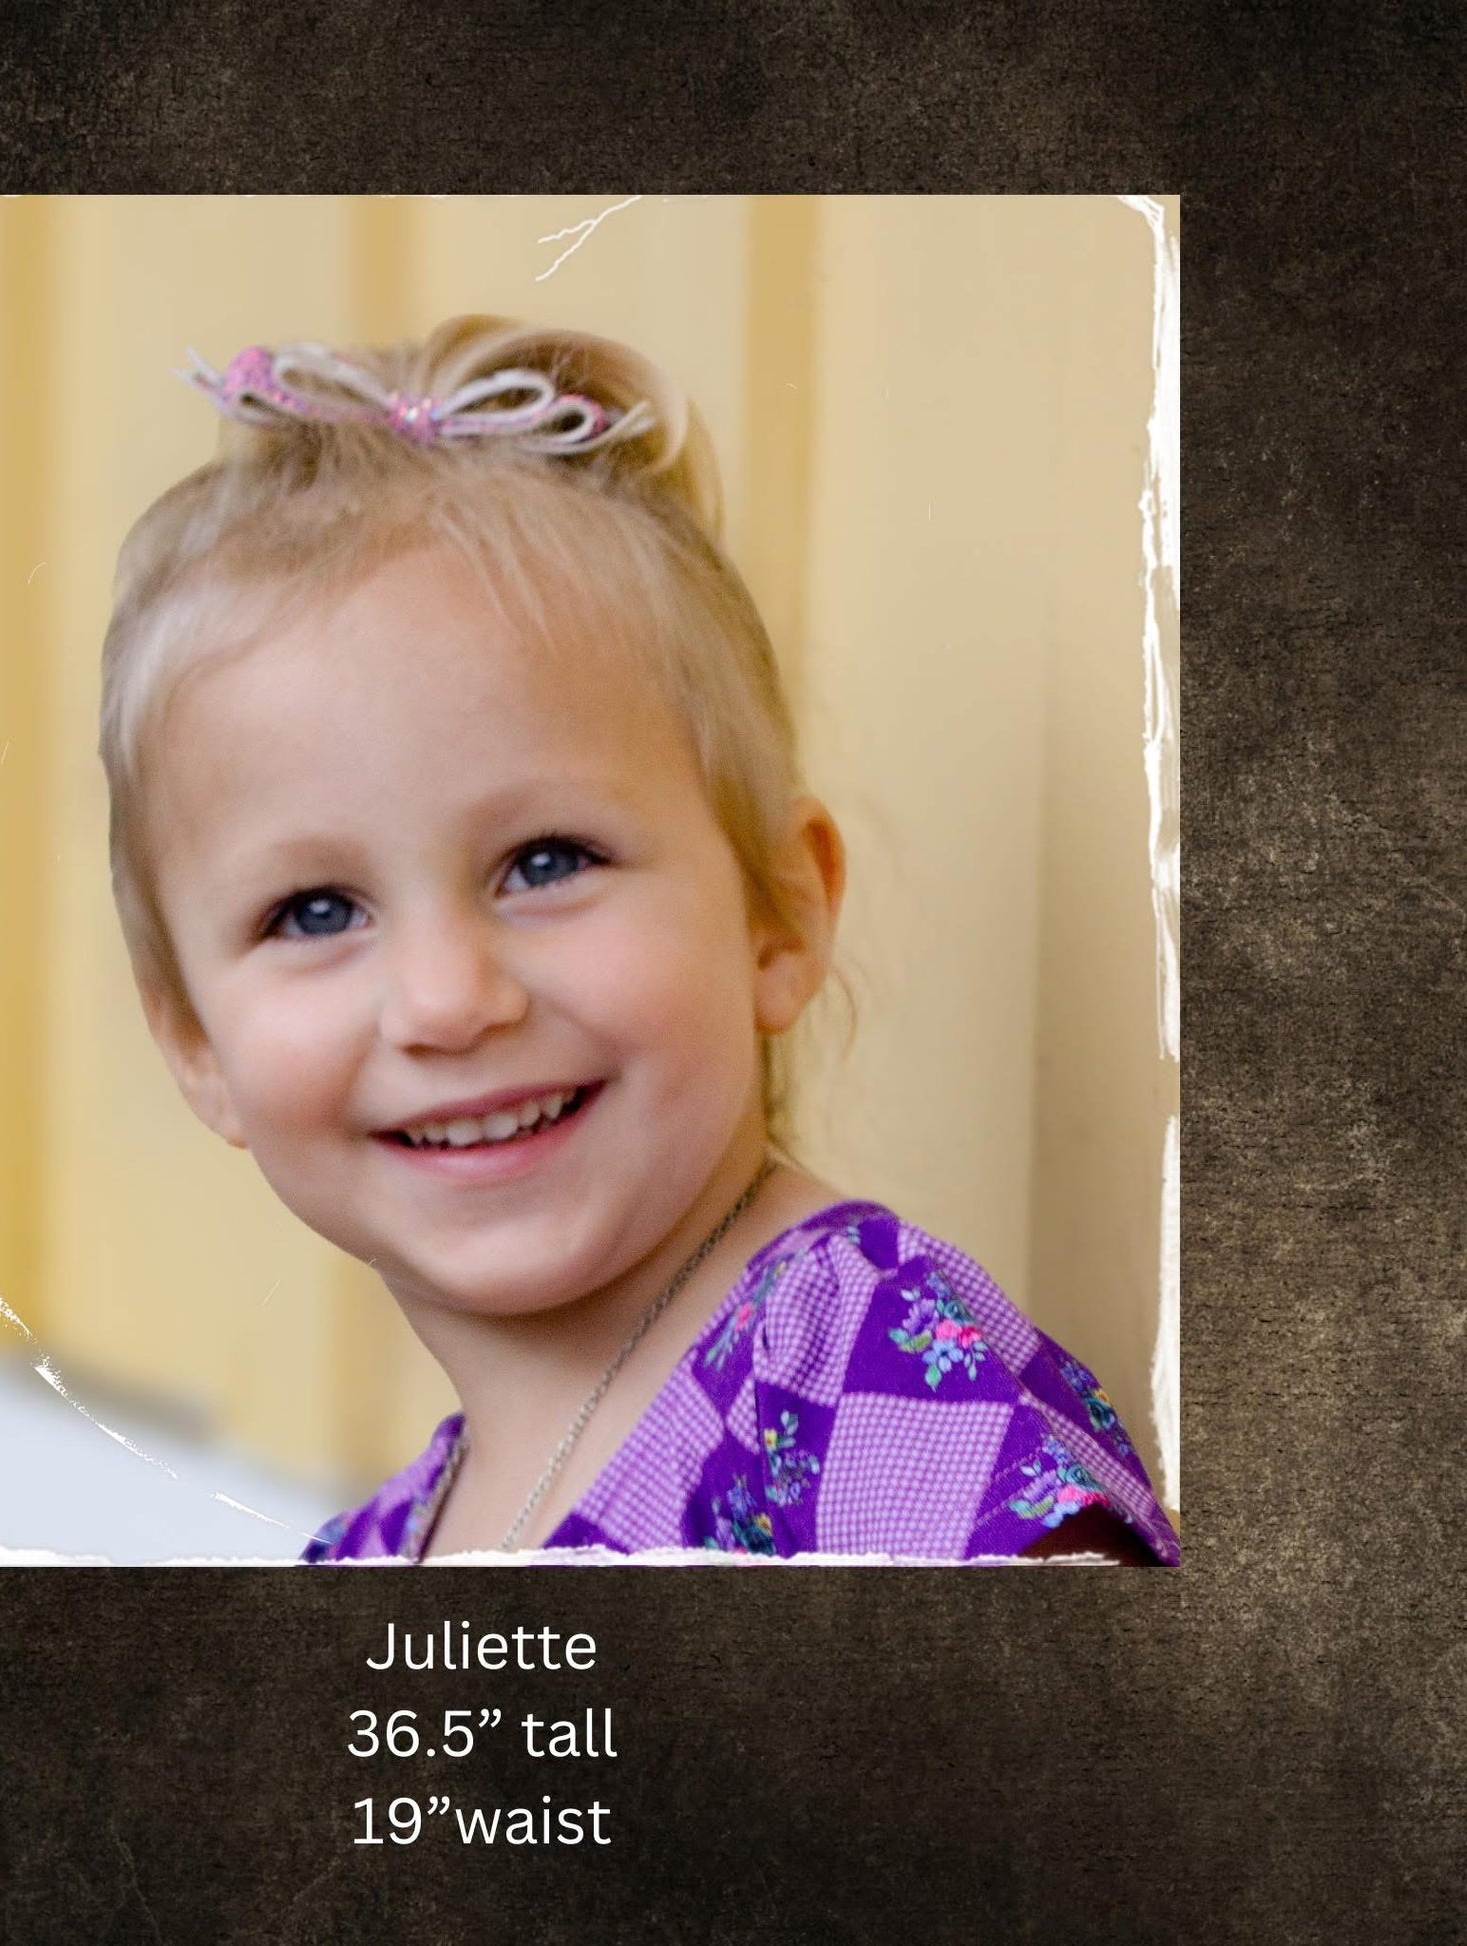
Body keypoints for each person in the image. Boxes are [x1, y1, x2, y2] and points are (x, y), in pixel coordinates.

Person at [96, 317, 1179, 1567]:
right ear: (193, 1041)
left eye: (546, 861)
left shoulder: (859, 1388)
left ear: (776, 908)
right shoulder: (375, 1552)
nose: (446, 1001)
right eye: (317, 910)